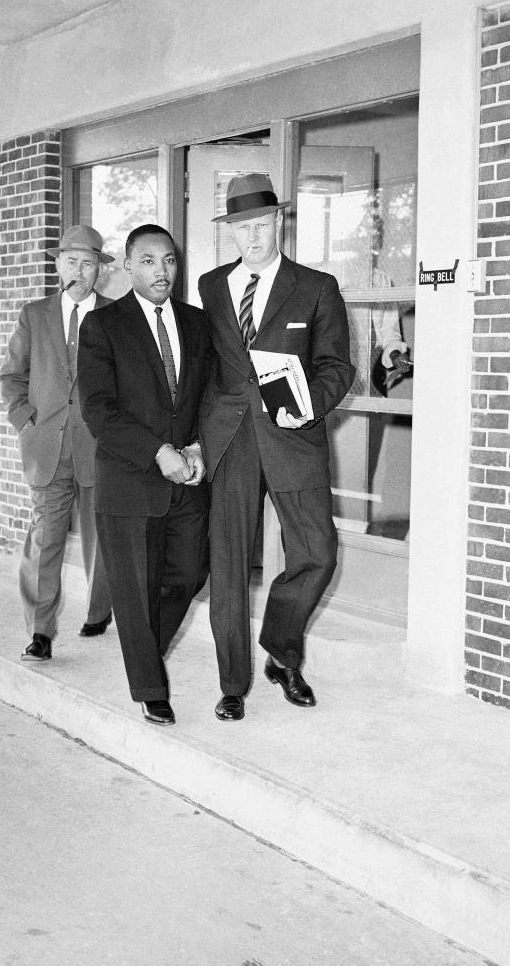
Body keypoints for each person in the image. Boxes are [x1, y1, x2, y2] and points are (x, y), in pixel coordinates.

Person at [197, 173, 354, 722]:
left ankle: (281, 653)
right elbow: (209, 368)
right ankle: (232, 681)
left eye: (261, 223)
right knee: (230, 564)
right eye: (242, 227)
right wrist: (196, 441)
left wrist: (309, 403)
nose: (253, 235)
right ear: (231, 233)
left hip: (294, 436)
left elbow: (338, 367)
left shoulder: (316, 287)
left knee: (317, 552)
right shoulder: (211, 287)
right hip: (230, 440)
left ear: (279, 222)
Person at [78, 224, 211, 726]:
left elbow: (209, 396)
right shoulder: (103, 326)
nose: (162, 271)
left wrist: (197, 445)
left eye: (170, 261)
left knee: (190, 572)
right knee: (134, 589)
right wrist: (158, 452)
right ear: (129, 266)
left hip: (187, 479)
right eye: (150, 261)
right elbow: (99, 409)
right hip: (130, 480)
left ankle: (143, 650)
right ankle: (150, 686)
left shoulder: (198, 324)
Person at [0, 225, 114, 661]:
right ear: (57, 264)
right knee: (45, 538)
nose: (79, 271)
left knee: (103, 536)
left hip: (100, 449)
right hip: (46, 446)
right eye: (71, 262)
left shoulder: (116, 316)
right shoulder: (35, 315)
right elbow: (12, 377)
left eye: (88, 264)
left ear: (99, 271)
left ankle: (97, 612)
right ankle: (40, 631)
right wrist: (26, 422)